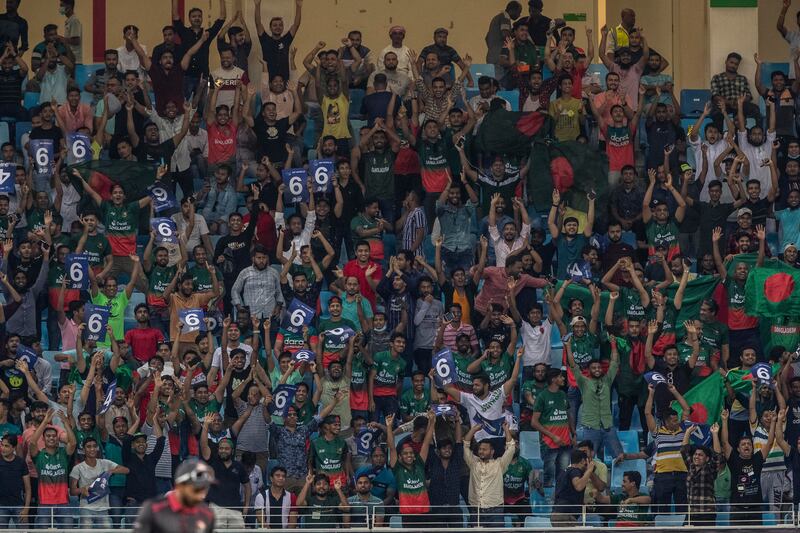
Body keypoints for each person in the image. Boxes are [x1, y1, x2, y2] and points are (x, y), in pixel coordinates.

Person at [132, 459, 215, 533]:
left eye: (205, 488)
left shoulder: (207, 513)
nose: (202, 495)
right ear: (180, 486)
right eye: (197, 489)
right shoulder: (153, 509)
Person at [463, 420, 516, 527]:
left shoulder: (500, 464)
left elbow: (511, 447)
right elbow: (465, 445)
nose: (481, 451)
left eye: (484, 449)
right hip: (476, 509)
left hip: (495, 510)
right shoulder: (473, 462)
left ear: (492, 452)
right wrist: (473, 430)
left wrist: (506, 429)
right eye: (480, 449)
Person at [551, 449, 594, 526]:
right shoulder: (575, 471)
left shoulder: (563, 473)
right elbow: (578, 486)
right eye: (587, 462)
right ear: (583, 461)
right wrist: (589, 471)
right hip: (566, 515)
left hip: (556, 513)